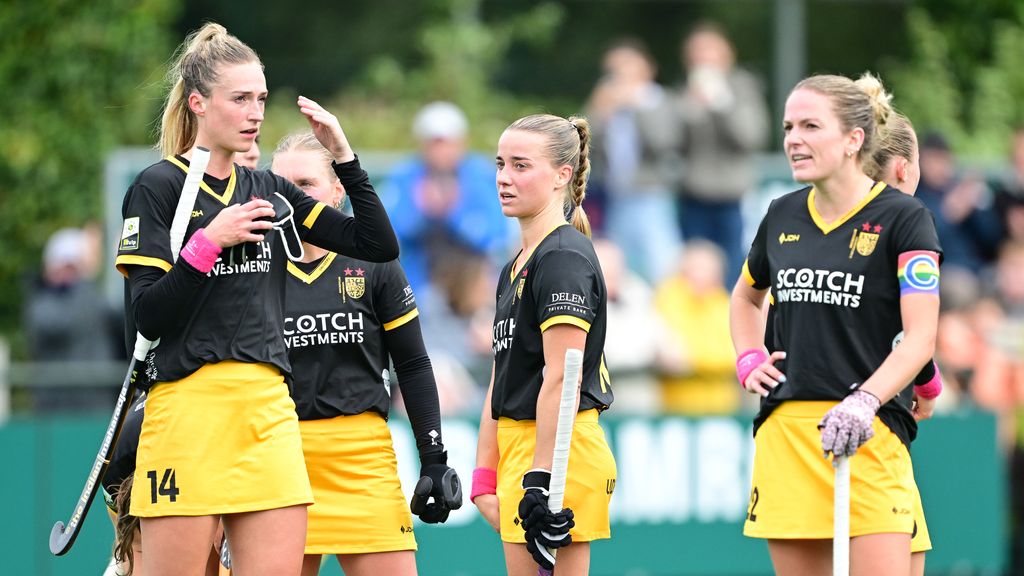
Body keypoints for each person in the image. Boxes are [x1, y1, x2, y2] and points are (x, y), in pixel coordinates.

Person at [113, 22, 398, 576]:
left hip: (267, 413)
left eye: (261, 99)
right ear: (198, 103)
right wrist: (207, 244)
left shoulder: (270, 190)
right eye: (240, 99)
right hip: (189, 411)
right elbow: (146, 318)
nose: (255, 113)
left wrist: (342, 154)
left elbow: (377, 245)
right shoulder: (158, 187)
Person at [730, 73, 941, 576]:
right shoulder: (781, 214)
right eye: (788, 127)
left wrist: (865, 401)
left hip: (869, 433)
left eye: (810, 126)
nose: (793, 139)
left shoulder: (905, 218)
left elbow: (919, 337)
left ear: (853, 140)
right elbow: (745, 297)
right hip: (787, 439)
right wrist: (749, 357)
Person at [270, 131, 460, 576]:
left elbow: (412, 364)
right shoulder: (255, 264)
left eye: (306, 184)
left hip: (361, 461)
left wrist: (434, 459)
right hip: (276, 460)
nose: (292, 197)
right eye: (281, 185)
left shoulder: (374, 263)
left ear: (337, 191)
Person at [471, 114, 617, 576]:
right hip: (521, 448)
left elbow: (563, 377)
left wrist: (540, 477)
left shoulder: (563, 257)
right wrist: (484, 474)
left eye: (520, 165)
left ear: (562, 175)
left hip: (558, 451)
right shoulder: (515, 264)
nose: (504, 177)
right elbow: (502, 374)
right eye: (500, 164)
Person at [863, 110, 942, 576]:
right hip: (876, 427)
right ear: (903, 168)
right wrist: (929, 384)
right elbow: (909, 331)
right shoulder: (909, 220)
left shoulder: (816, 218)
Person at [671, 22, 770, 286]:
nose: (703, 59)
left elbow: (751, 137)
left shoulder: (743, 87)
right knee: (695, 266)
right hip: (694, 193)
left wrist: (721, 103)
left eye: (709, 51)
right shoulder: (684, 91)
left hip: (733, 195)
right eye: (697, 53)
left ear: (727, 54)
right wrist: (690, 111)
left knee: (735, 264)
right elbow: (671, 143)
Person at [381, 101, 515, 294]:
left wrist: (453, 213)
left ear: (462, 142)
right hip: (418, 284)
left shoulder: (481, 174)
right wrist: (424, 213)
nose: (440, 152)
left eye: (447, 144)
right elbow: (390, 233)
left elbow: (496, 236)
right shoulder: (405, 176)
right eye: (433, 144)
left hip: (472, 286)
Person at [586, 38, 681, 284]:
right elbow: (588, 145)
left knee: (661, 259)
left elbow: (663, 142)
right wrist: (600, 112)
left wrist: (636, 108)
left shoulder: (657, 100)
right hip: (617, 192)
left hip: (651, 193)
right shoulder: (608, 102)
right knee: (619, 260)